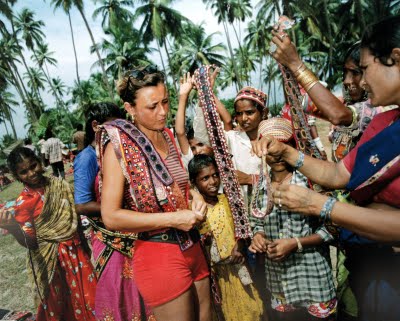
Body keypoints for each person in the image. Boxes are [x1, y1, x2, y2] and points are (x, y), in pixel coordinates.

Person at [254, 15, 400, 321]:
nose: (359, 81)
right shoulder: (388, 123)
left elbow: (337, 114)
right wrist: (288, 153)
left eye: (364, 69)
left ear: (395, 58)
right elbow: (337, 175)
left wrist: (318, 204)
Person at [99, 65, 210, 321]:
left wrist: (197, 196)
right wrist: (174, 218)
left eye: (166, 102)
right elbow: (111, 216)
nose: (162, 112)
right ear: (130, 109)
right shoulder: (119, 148)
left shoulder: (168, 135)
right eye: (152, 107)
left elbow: (181, 187)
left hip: (192, 246)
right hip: (158, 253)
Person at [249, 118, 336, 321]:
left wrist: (296, 243)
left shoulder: (310, 180)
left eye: (284, 146)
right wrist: (258, 235)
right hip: (280, 283)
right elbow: (256, 221)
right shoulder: (261, 182)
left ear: (292, 147)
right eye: (271, 148)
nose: (277, 156)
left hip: (313, 282)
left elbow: (332, 229)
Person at [0, 147, 96, 320]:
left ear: (39, 161)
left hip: (76, 252)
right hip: (51, 261)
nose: (31, 173)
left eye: (33, 166)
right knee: (59, 304)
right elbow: (31, 243)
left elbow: (74, 219)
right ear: (16, 176)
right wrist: (14, 228)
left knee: (90, 298)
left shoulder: (59, 185)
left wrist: (83, 244)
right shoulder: (23, 202)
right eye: (23, 172)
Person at [188, 154, 267, 321]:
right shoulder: (193, 210)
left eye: (215, 175)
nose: (213, 181)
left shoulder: (229, 200)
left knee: (250, 310)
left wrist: (239, 246)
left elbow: (242, 229)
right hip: (215, 275)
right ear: (194, 182)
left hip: (239, 267)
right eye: (205, 178)